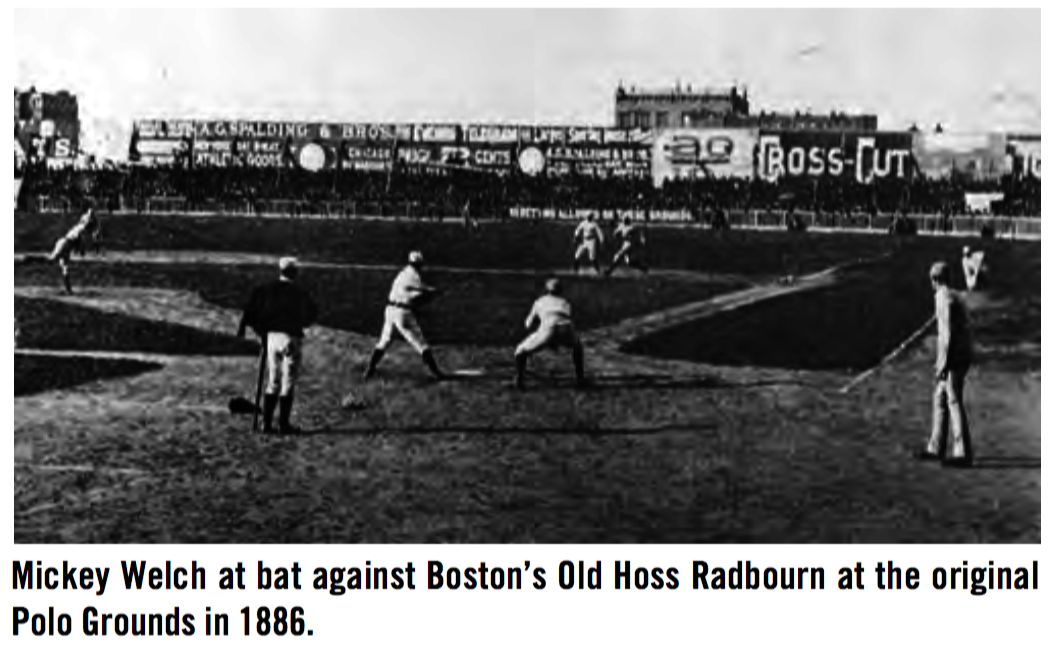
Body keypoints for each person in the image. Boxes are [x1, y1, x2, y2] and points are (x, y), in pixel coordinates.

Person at [237, 257, 319, 435]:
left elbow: (250, 310)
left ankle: (266, 425)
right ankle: (284, 425)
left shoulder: (267, 289)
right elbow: (312, 313)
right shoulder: (299, 291)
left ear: (280, 271)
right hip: (290, 338)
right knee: (287, 382)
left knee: (272, 381)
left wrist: (259, 330)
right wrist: (300, 323)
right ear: (295, 272)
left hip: (271, 339)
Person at [917, 262, 975, 467]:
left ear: (934, 279)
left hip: (955, 357)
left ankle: (963, 453)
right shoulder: (956, 294)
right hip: (963, 353)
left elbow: (947, 335)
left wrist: (942, 364)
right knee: (940, 397)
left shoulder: (942, 297)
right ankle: (936, 446)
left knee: (953, 399)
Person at [362, 250, 447, 381]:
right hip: (402, 314)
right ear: (419, 264)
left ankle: (370, 368)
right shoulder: (415, 277)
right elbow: (420, 296)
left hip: (389, 311)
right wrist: (434, 293)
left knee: (384, 341)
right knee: (420, 342)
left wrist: (430, 291)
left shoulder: (402, 274)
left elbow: (415, 290)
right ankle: (436, 372)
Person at [514, 278, 586, 389]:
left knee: (520, 350)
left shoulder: (539, 301)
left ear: (546, 290)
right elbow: (563, 318)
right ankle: (580, 380)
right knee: (578, 347)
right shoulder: (565, 302)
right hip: (566, 327)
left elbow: (528, 324)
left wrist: (537, 331)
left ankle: (519, 381)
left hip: (549, 327)